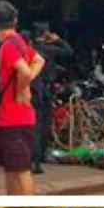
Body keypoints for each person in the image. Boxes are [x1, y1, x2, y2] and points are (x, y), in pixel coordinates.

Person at [0, 1, 44, 195]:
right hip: (17, 117)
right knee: (12, 170)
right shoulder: (19, 43)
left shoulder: (8, 46)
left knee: (21, 172)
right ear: (15, 20)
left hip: (13, 117)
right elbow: (39, 60)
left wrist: (22, 87)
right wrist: (26, 81)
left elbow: (24, 70)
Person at [31, 21, 74, 173]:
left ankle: (35, 159)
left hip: (32, 90)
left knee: (36, 125)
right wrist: (58, 40)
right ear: (46, 34)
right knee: (43, 125)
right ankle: (38, 159)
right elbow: (69, 52)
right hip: (46, 90)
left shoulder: (30, 49)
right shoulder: (49, 49)